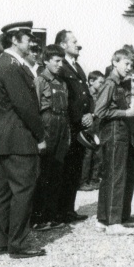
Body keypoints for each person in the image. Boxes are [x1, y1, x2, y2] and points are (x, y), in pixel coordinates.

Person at [0, 22, 47, 257]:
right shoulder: (12, 66)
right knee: (23, 191)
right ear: (14, 40)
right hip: (19, 139)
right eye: (27, 38)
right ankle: (18, 244)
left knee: (4, 192)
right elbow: (25, 106)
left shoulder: (6, 64)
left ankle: (2, 241)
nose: (31, 43)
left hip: (7, 139)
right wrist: (40, 135)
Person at [95, 49, 134, 233]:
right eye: (126, 63)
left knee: (123, 174)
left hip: (123, 132)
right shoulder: (110, 84)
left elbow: (132, 106)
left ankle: (112, 218)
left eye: (131, 64)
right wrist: (125, 113)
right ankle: (113, 222)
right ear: (115, 62)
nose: (129, 68)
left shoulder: (123, 84)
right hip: (114, 132)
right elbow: (99, 111)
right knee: (116, 175)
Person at [54, 30, 94, 222]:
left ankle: (68, 209)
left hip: (81, 125)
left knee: (75, 169)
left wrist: (90, 113)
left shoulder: (76, 66)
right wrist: (79, 117)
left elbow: (86, 93)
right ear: (63, 45)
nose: (78, 45)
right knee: (65, 169)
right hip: (69, 125)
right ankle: (59, 211)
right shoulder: (60, 66)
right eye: (74, 41)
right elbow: (64, 98)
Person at [32, 45, 71, 229]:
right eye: (56, 61)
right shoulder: (40, 81)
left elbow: (66, 110)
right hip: (47, 126)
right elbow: (34, 109)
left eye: (61, 61)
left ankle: (51, 215)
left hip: (61, 127)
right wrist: (39, 136)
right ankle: (38, 218)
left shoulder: (62, 83)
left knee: (57, 173)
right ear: (46, 61)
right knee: (43, 174)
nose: (60, 64)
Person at [80, 70, 104, 190]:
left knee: (98, 153)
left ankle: (94, 179)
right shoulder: (85, 95)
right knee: (87, 154)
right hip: (88, 128)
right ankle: (83, 181)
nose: (102, 85)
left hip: (98, 127)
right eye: (100, 82)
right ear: (91, 81)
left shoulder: (101, 95)